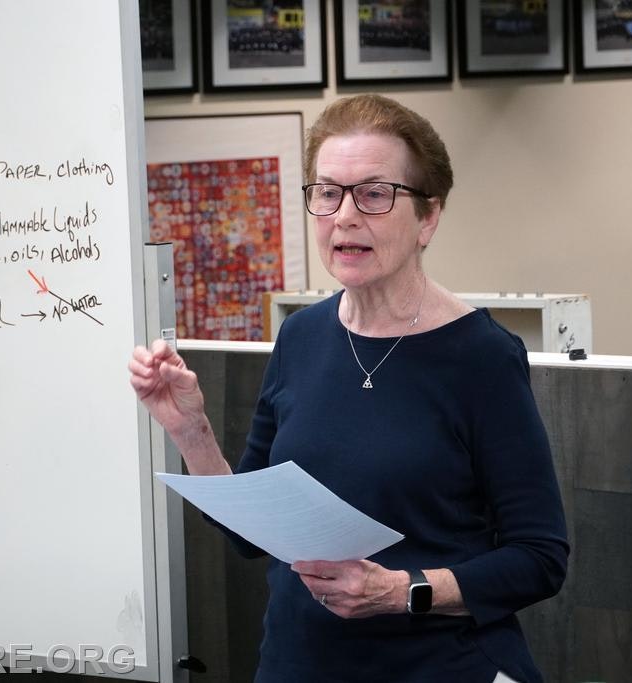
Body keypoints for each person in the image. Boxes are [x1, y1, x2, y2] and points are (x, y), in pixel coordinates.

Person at [129, 94, 568, 682]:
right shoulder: (301, 337)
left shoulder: (483, 356)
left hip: (437, 665)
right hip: (299, 662)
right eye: (328, 192)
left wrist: (398, 590)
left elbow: (539, 559)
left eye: (375, 193)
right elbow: (250, 536)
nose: (345, 216)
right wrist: (191, 429)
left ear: (428, 217)